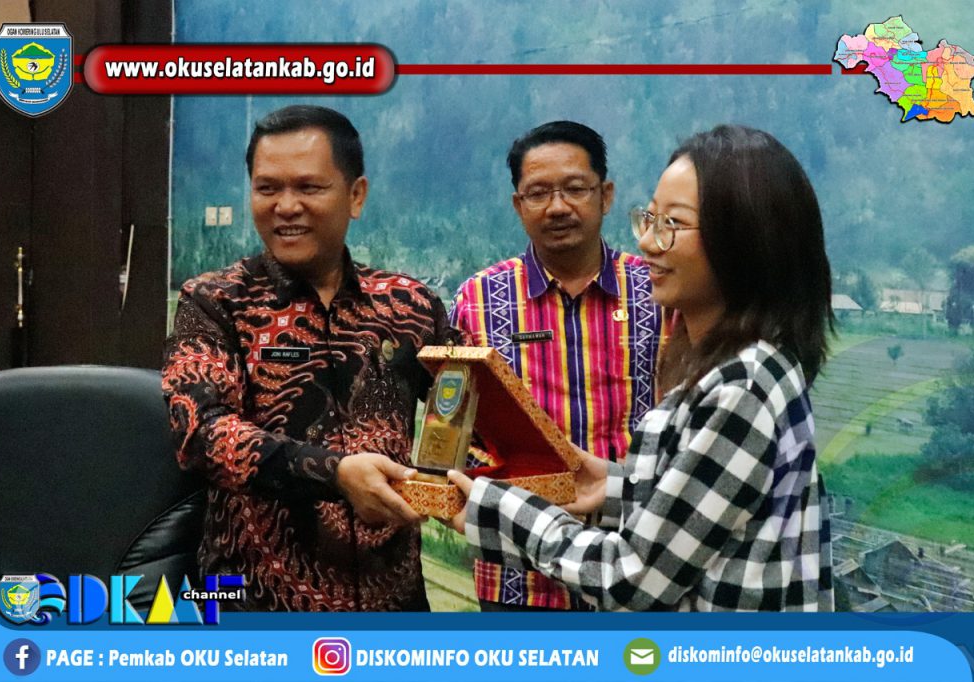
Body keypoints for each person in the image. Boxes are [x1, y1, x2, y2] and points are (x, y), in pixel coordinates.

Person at [448, 125, 835, 611]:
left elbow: (631, 580)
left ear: (743, 239)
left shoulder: (742, 385)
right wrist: (615, 486)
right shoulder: (744, 367)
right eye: (651, 219)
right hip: (522, 590)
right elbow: (701, 504)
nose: (650, 242)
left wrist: (496, 508)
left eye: (673, 223)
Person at [162, 105, 456, 611]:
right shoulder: (215, 302)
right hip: (255, 609)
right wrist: (335, 473)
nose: (286, 206)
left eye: (309, 187)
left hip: (395, 606)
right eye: (267, 188)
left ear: (356, 195)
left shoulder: (409, 305)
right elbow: (200, 431)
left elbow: (472, 406)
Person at [449, 121, 667, 611]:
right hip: (517, 576)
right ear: (518, 205)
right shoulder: (478, 300)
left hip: (635, 567)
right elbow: (457, 430)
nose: (558, 207)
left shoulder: (655, 292)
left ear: (605, 195)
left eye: (575, 189)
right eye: (539, 193)